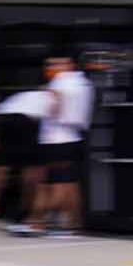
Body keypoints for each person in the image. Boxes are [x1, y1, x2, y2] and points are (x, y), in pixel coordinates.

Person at [31, 55, 93, 238]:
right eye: (49, 64)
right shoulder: (82, 83)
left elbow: (53, 107)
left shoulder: (59, 82)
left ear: (70, 64)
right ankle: (74, 223)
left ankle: (47, 223)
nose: (53, 67)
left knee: (55, 184)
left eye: (58, 63)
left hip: (56, 139)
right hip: (73, 137)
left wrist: (38, 107)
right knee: (70, 183)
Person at [0, 86, 53, 236]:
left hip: (4, 119)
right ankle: (30, 217)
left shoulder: (25, 95)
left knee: (13, 168)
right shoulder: (51, 95)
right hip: (25, 122)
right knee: (35, 173)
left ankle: (11, 212)